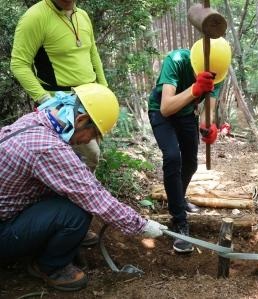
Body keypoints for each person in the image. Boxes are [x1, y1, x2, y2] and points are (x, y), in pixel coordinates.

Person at [0, 83, 167, 292]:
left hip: (9, 210)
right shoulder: (48, 148)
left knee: (74, 190)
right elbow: (93, 197)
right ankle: (49, 266)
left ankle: (50, 241)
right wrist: (140, 225)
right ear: (81, 120)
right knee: (77, 211)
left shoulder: (37, 121)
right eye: (94, 134)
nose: (91, 140)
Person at [148, 37, 231, 253]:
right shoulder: (176, 60)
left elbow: (207, 114)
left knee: (191, 163)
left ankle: (178, 197)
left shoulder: (217, 72)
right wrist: (195, 89)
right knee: (173, 157)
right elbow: (166, 107)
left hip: (186, 115)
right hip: (161, 113)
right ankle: (180, 222)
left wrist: (209, 128)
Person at [10, 0, 107, 171]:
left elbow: (93, 54)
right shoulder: (35, 17)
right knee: (84, 157)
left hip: (91, 102)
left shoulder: (82, 15)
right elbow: (19, 64)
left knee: (89, 160)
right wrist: (47, 101)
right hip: (60, 106)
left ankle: (81, 194)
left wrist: (104, 90)